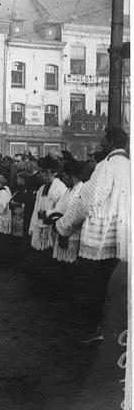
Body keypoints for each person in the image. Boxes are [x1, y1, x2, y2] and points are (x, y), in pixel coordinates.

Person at [55, 127, 130, 345]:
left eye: (103, 140)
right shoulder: (129, 167)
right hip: (123, 238)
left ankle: (95, 330)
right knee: (115, 287)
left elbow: (86, 202)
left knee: (93, 286)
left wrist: (63, 227)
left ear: (110, 142)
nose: (100, 144)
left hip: (101, 239)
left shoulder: (105, 167)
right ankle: (113, 333)